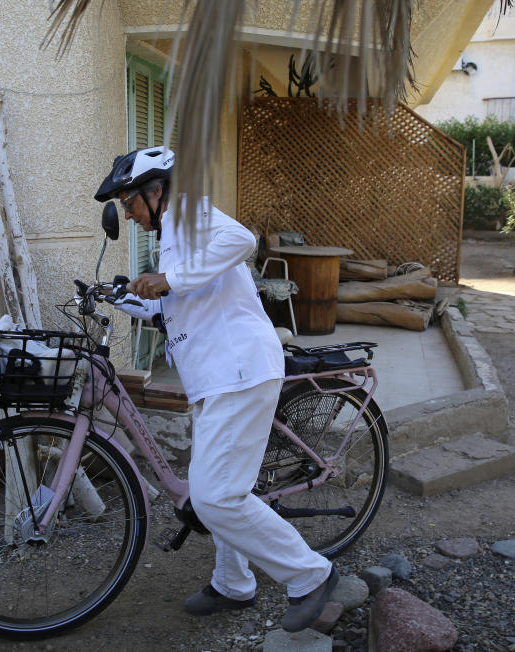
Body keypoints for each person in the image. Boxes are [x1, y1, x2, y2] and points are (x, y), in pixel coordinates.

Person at [94, 146, 338, 633]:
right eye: (123, 204)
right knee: (226, 487)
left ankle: (311, 575)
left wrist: (167, 280)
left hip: (240, 371)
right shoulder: (171, 239)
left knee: (215, 497)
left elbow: (243, 240)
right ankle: (233, 583)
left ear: (156, 190)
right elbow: (182, 304)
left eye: (131, 201)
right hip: (215, 378)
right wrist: (127, 299)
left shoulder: (189, 214)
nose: (128, 212)